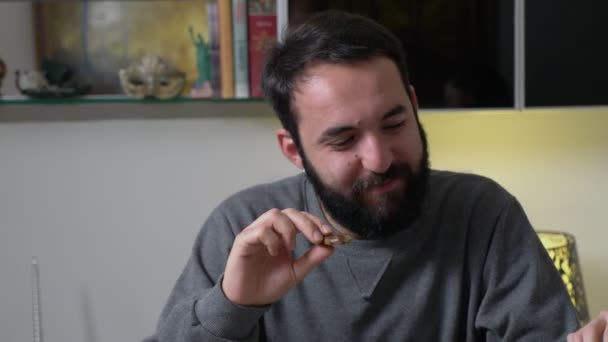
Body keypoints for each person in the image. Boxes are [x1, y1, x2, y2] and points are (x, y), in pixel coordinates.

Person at [145, 11, 607, 341]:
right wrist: (234, 306)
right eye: (344, 140)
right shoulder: (242, 227)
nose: (380, 158)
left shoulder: (482, 214)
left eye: (394, 123)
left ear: (413, 103)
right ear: (294, 150)